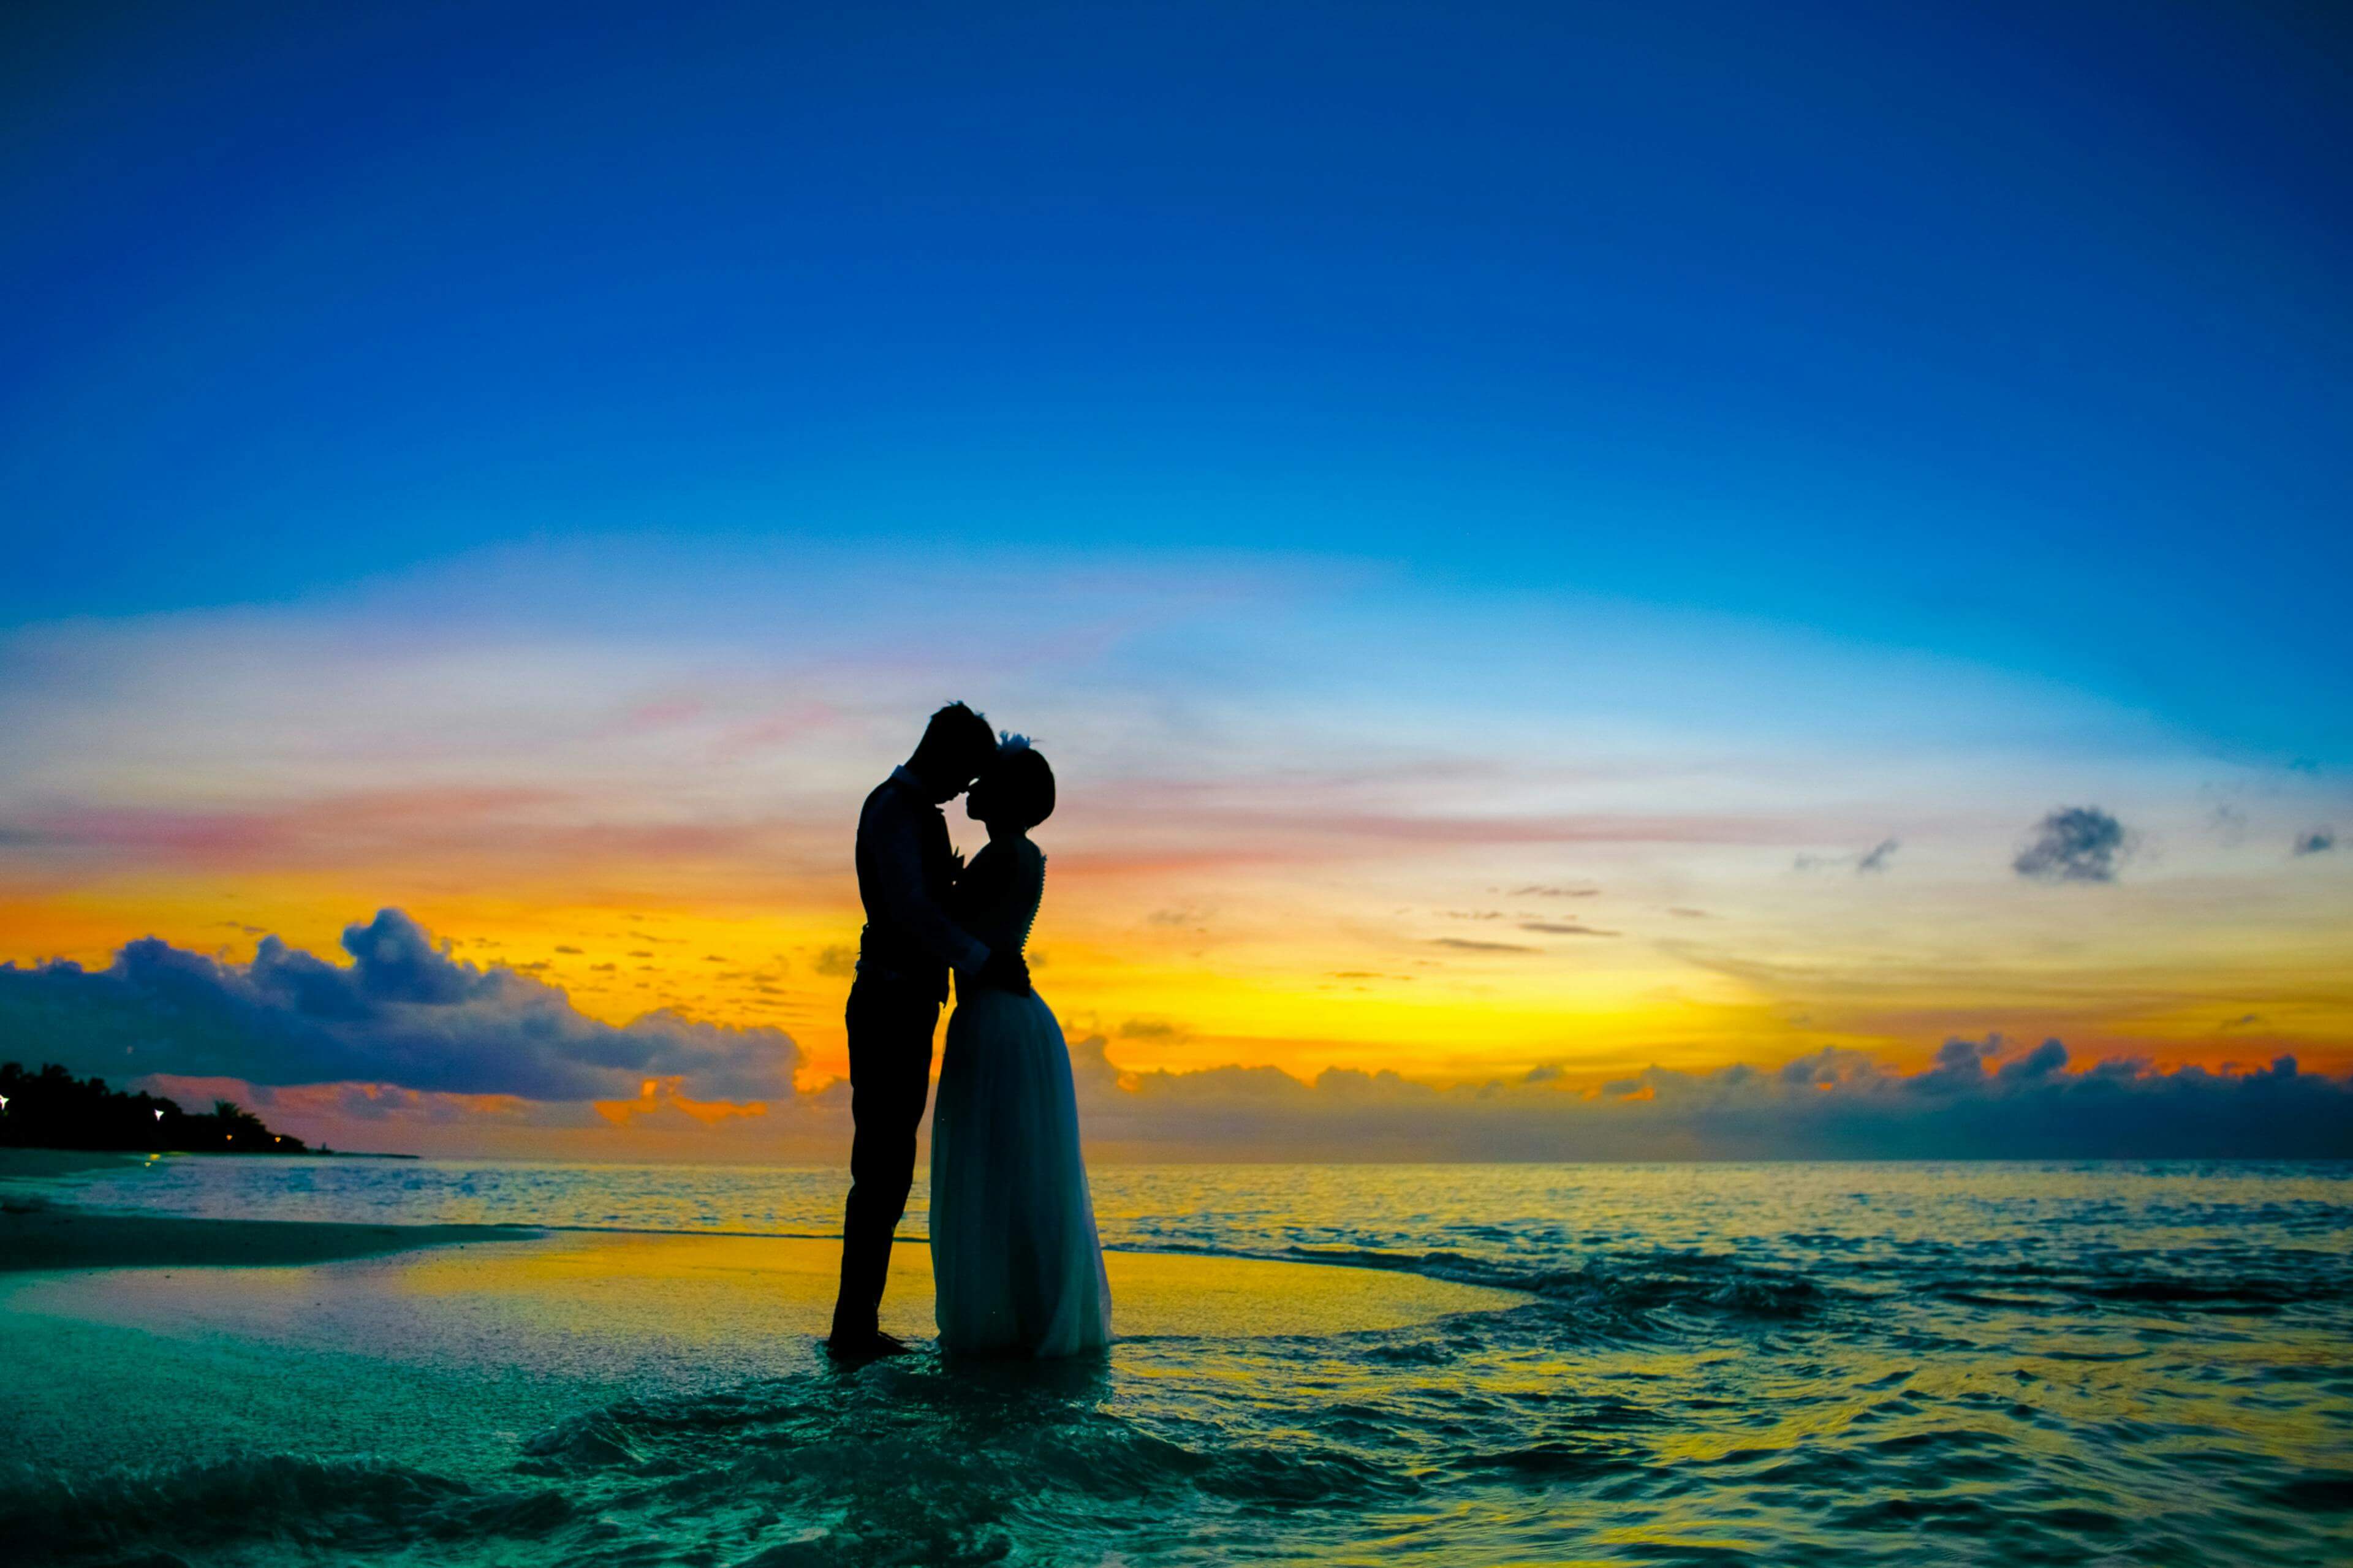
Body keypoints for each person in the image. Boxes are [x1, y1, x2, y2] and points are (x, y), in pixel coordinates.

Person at [827, 702, 1029, 1358]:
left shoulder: (912, 812)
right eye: (964, 775)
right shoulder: (892, 810)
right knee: (882, 1166)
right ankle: (852, 1329)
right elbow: (912, 910)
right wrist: (983, 960)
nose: (965, 791)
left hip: (910, 1003)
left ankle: (857, 1323)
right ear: (941, 755)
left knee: (890, 1165)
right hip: (889, 1000)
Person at [928, 735, 1112, 1357]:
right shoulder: (1021, 853)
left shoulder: (1004, 854)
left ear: (1005, 796)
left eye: (987, 782)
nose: (973, 788)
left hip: (995, 1018)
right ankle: (1024, 1308)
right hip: (1009, 1014)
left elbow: (941, 922)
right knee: (1015, 1165)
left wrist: (938, 880)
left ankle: (1006, 1316)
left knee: (994, 1163)